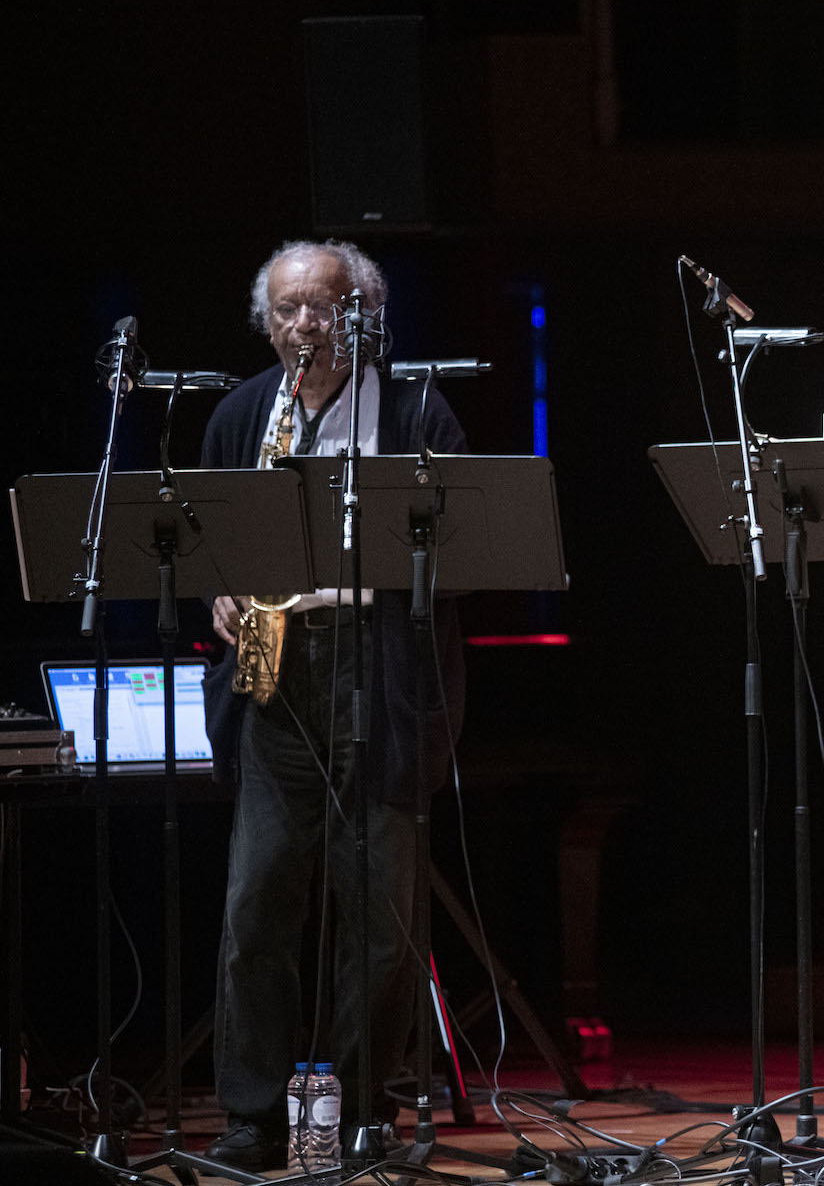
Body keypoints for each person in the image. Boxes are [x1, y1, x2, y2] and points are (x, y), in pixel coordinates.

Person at [199, 239, 467, 1171]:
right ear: (266, 322)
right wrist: (220, 592)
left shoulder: (414, 410)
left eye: (323, 306)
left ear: (364, 315)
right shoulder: (241, 413)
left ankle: (359, 1111)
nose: (304, 325)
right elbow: (207, 539)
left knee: (381, 918)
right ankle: (252, 1116)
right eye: (287, 309)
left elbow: (461, 547)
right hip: (275, 678)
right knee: (255, 904)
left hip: (376, 671)